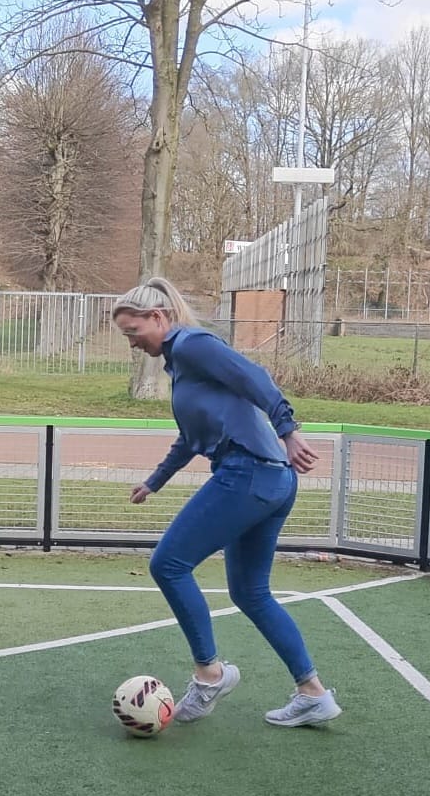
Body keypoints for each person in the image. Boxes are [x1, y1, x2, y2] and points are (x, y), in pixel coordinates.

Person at [112, 277, 341, 728]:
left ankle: (210, 674)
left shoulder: (193, 345)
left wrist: (288, 429)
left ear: (158, 318)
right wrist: (155, 481)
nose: (132, 344)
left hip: (250, 474)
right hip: (272, 480)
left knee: (168, 565)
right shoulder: (180, 363)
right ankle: (313, 693)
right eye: (126, 336)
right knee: (250, 592)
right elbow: (191, 439)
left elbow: (255, 377)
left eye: (133, 332)